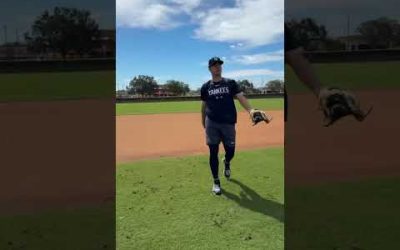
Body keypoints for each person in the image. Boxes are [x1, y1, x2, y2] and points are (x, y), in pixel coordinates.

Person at [200, 57, 271, 195]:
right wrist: (203, 121)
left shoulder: (230, 83)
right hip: (212, 123)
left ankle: (226, 161)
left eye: (219, 65)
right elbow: (203, 105)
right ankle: (216, 182)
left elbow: (241, 97)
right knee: (213, 152)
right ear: (209, 68)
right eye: (214, 65)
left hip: (228, 123)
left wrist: (250, 110)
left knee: (231, 151)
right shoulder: (205, 87)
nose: (217, 67)